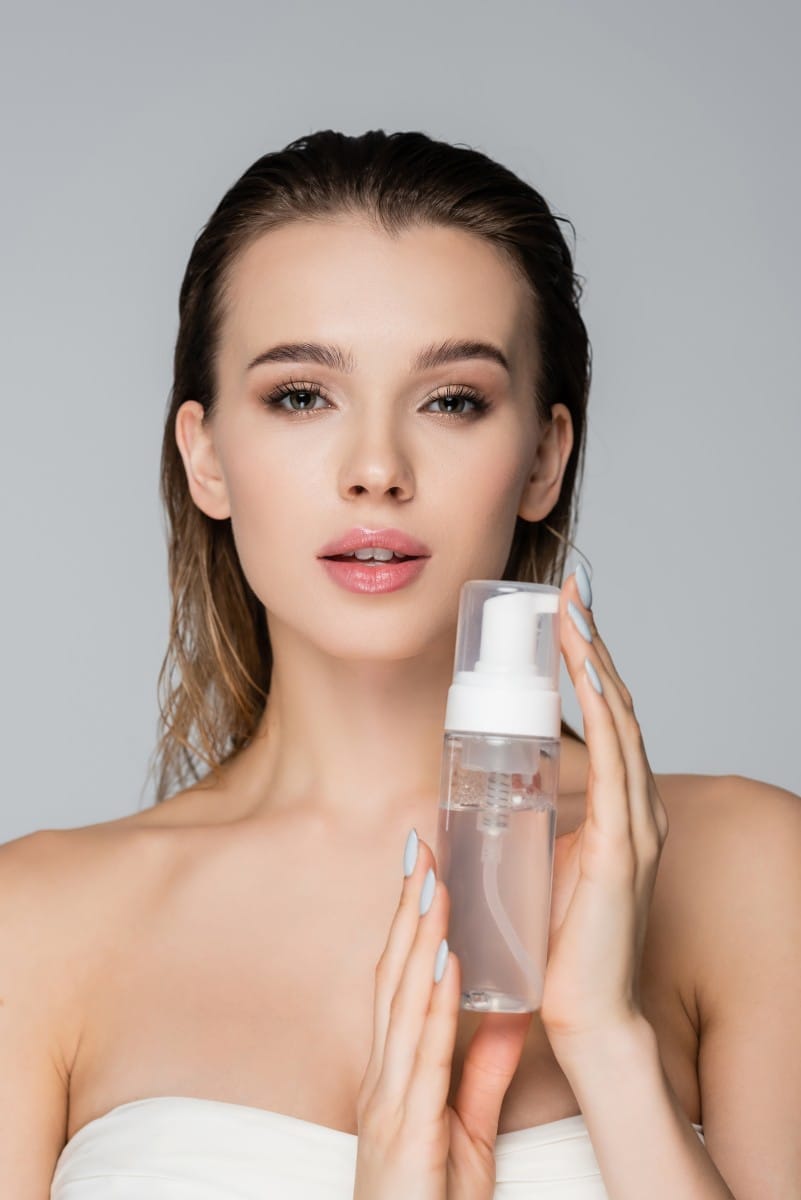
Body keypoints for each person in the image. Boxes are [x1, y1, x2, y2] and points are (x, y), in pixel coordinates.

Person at [2, 129, 798, 1199]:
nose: (377, 469)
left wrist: (606, 1041)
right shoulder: (36, 925)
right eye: (300, 396)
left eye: (452, 400)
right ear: (205, 456)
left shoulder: (752, 872)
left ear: (545, 458)